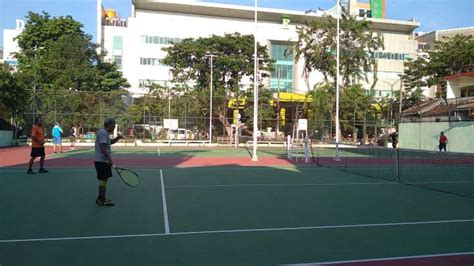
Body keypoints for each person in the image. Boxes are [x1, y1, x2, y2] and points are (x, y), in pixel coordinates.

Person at [94, 117, 123, 206]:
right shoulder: (103, 133)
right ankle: (102, 199)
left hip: (102, 161)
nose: (114, 127)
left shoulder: (104, 133)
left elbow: (109, 142)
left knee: (104, 179)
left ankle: (100, 198)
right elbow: (103, 147)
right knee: (103, 179)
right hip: (101, 161)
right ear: (109, 124)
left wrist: (118, 137)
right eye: (113, 125)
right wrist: (109, 159)